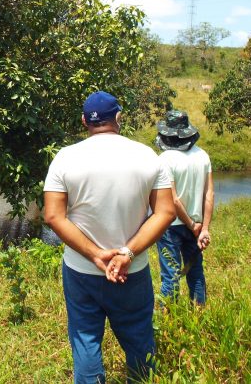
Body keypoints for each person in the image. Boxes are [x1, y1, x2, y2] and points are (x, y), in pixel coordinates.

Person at [44, 91, 175, 383]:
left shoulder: (65, 158)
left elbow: (53, 216)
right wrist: (126, 253)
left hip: (81, 272)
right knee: (140, 340)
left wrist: (94, 254)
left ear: (84, 121)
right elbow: (165, 212)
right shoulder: (146, 156)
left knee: (86, 339)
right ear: (118, 118)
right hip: (132, 270)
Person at [154, 110, 214, 305]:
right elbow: (209, 194)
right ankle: (199, 314)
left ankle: (167, 320)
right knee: (195, 271)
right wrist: (203, 227)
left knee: (170, 274)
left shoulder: (165, 159)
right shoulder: (203, 156)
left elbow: (173, 200)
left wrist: (190, 223)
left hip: (171, 226)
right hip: (196, 224)